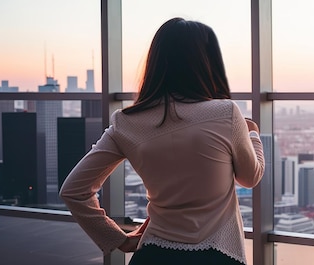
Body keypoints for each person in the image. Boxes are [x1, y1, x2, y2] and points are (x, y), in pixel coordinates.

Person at [59, 17, 264, 265]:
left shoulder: (126, 122)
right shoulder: (226, 114)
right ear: (206, 63)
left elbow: (74, 190)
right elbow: (249, 178)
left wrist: (118, 239)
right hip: (217, 255)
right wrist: (252, 134)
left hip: (153, 254)